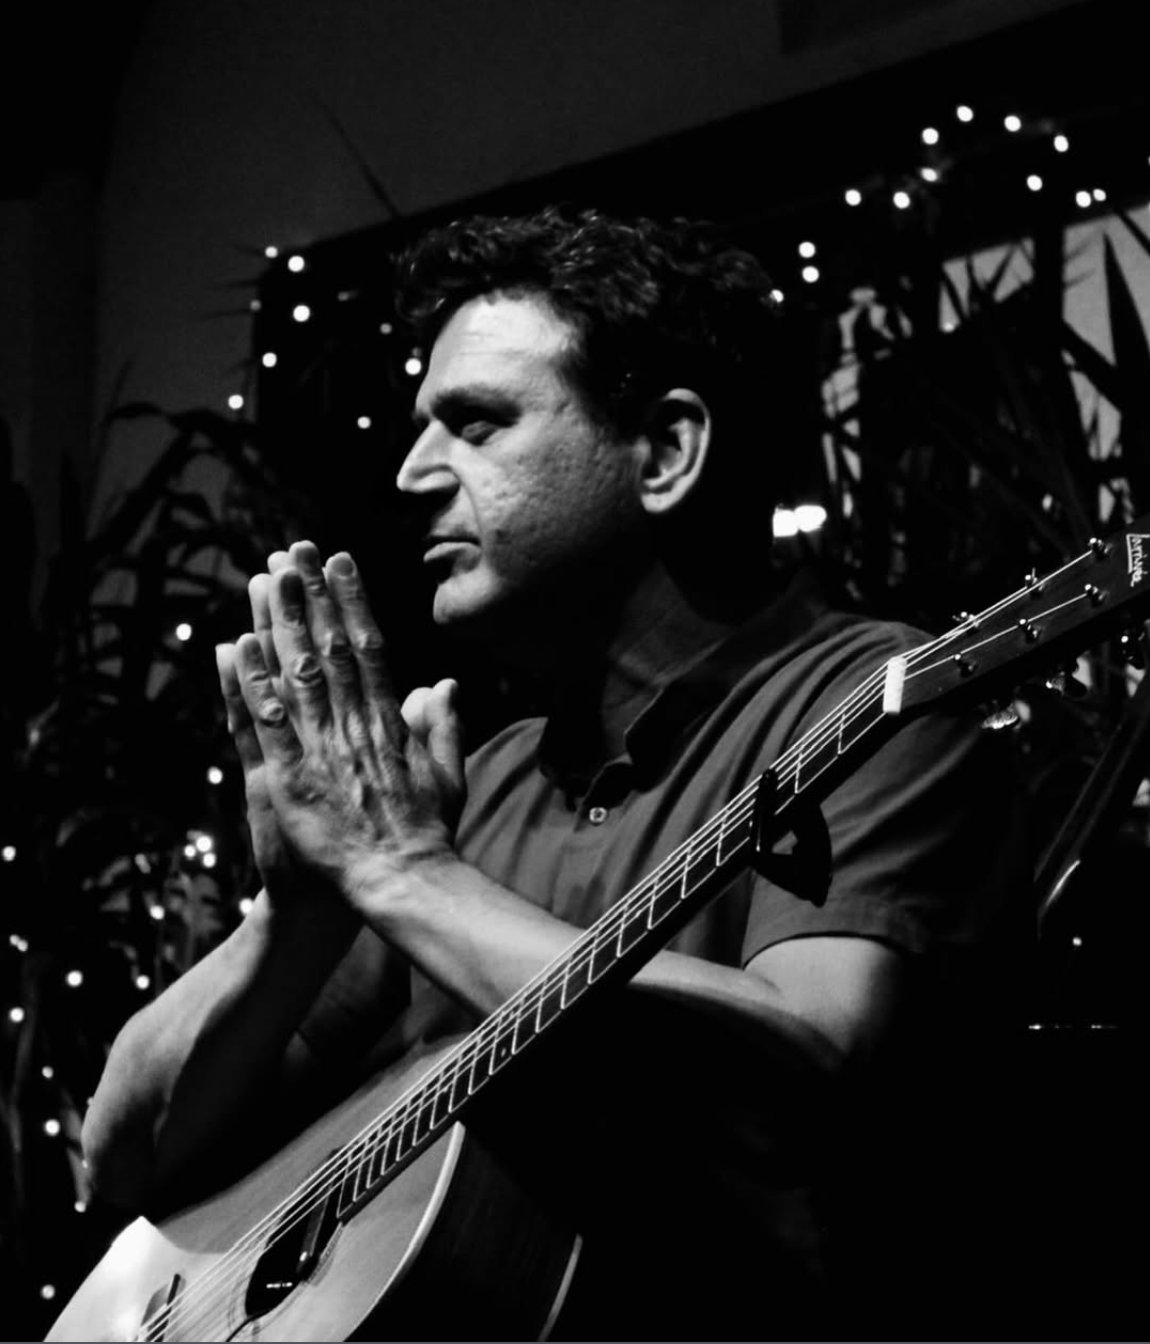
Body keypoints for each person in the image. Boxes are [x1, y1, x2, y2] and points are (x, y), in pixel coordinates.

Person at [81, 206, 1024, 1339]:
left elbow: (800, 1084)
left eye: (474, 423)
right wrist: (298, 912)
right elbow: (123, 1158)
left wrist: (406, 875)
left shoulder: (876, 702)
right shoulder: (470, 786)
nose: (411, 471)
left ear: (666, 452)